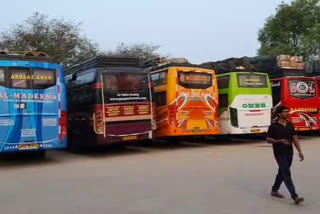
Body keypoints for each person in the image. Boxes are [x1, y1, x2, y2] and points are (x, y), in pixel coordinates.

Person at [266, 106, 305, 204]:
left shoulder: (290, 125)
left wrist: (300, 151)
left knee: (282, 172)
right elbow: (268, 139)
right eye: (285, 112)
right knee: (286, 173)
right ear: (279, 114)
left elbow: (295, 138)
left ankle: (274, 190)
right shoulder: (273, 126)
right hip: (279, 153)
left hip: (289, 152)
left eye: (288, 111)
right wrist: (278, 141)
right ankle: (294, 196)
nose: (287, 113)